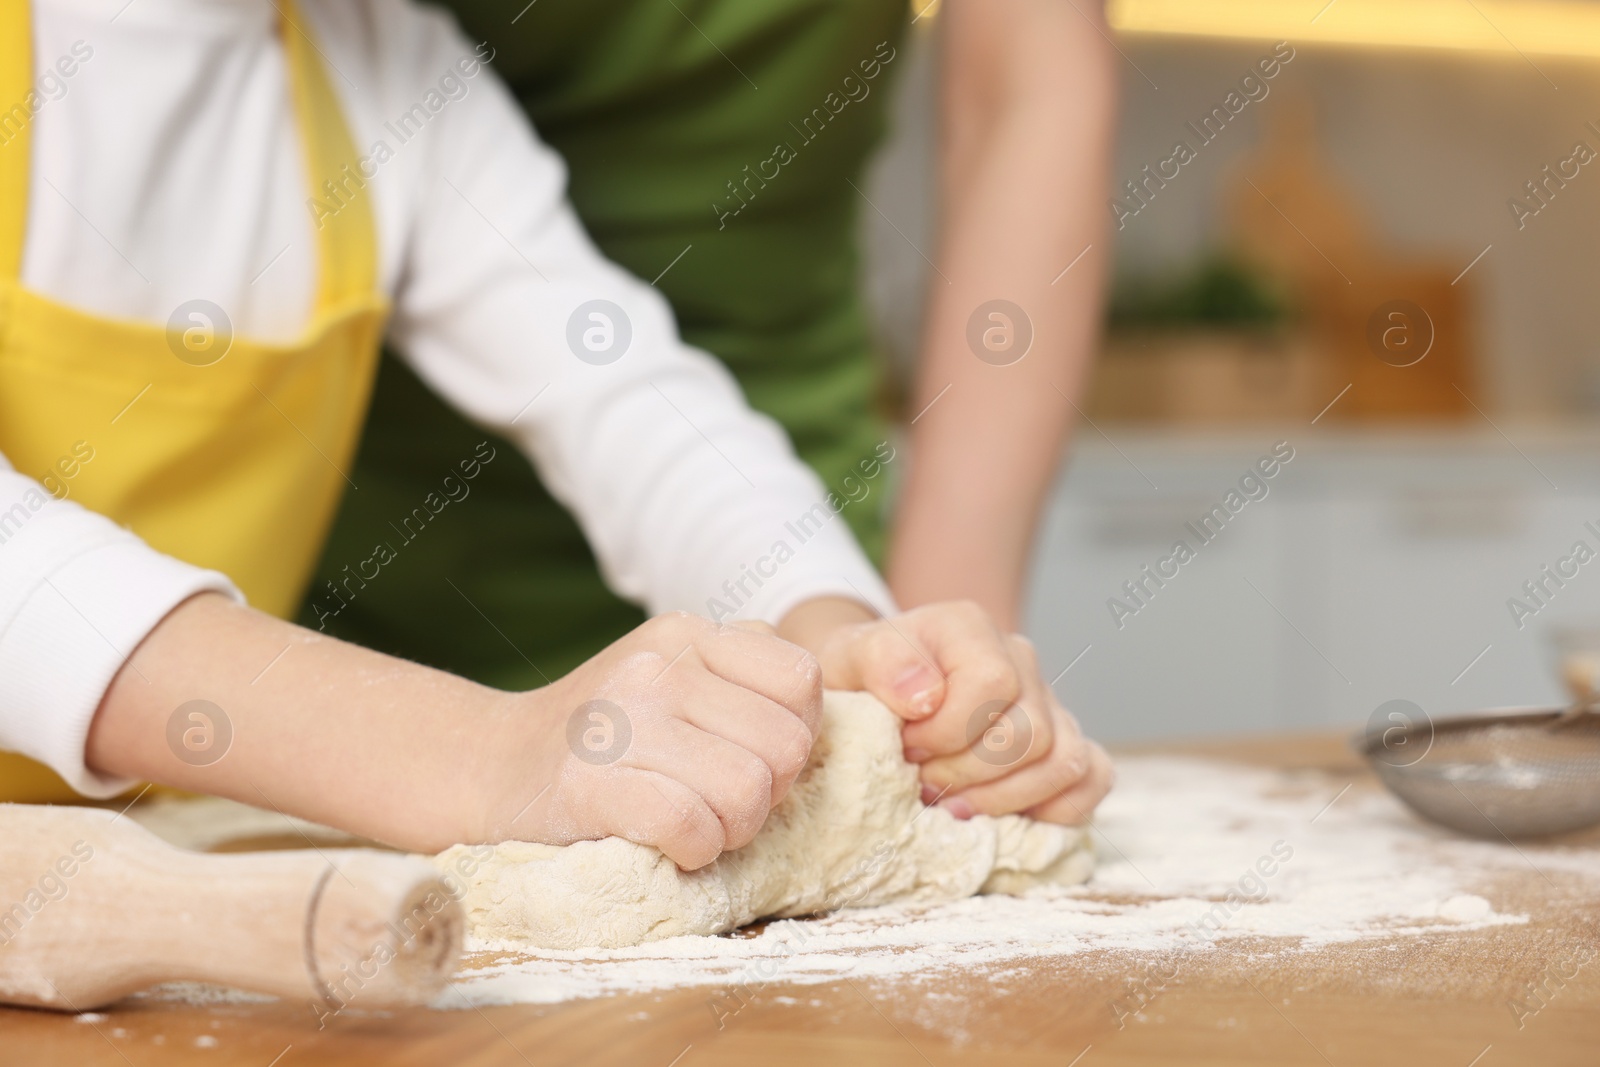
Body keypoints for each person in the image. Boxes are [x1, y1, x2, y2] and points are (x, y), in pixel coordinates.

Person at [0, 0, 1110, 864]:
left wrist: (848, 646)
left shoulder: (384, 74)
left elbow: (625, 399)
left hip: (145, 869)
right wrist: (483, 752)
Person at [305, 0, 1118, 676]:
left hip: (771, 529)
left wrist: (918, 654)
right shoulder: (356, 82)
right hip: (312, 579)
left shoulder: (433, 137)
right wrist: (481, 754)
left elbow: (623, 404)